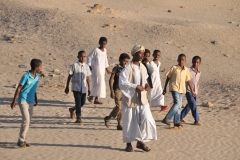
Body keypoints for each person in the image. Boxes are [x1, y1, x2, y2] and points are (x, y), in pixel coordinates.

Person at [119, 45, 157, 152]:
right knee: (130, 121)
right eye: (139, 53)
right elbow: (122, 82)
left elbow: (145, 79)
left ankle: (140, 142)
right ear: (134, 54)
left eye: (142, 53)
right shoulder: (127, 68)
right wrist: (135, 86)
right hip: (130, 99)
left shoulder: (143, 67)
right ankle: (129, 144)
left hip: (142, 99)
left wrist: (146, 85)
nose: (141, 55)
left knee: (147, 119)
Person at [11, 59, 42, 147]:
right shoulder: (25, 76)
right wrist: (14, 101)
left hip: (31, 101)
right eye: (40, 67)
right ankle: (21, 140)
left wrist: (36, 99)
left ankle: (22, 139)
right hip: (23, 100)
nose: (41, 68)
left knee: (27, 121)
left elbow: (34, 89)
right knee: (26, 120)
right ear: (36, 68)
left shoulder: (36, 77)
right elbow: (19, 88)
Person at [161, 54, 194, 129]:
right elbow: (168, 78)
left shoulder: (186, 70)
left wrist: (192, 90)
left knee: (179, 106)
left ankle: (176, 122)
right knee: (177, 103)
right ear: (177, 60)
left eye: (182, 60)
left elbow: (188, 80)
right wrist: (165, 88)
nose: (181, 61)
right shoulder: (174, 68)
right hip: (174, 87)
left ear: (185, 61)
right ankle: (167, 118)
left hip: (181, 89)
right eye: (179, 60)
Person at [104, 53, 130, 130]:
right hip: (117, 89)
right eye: (124, 61)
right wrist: (111, 90)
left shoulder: (127, 69)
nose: (126, 63)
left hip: (125, 90)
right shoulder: (116, 68)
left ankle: (119, 124)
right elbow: (111, 79)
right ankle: (108, 118)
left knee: (122, 108)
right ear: (120, 60)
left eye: (127, 62)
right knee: (118, 107)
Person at [65, 51, 91, 123]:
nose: (83, 58)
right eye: (81, 56)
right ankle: (78, 117)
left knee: (83, 102)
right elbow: (69, 76)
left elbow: (88, 77)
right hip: (76, 87)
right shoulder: (74, 66)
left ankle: (72, 109)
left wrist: (89, 88)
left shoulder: (86, 66)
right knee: (78, 102)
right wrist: (67, 86)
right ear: (78, 57)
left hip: (84, 87)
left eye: (84, 56)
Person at [87, 37, 111, 104]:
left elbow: (105, 59)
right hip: (96, 69)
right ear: (99, 43)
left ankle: (96, 99)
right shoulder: (96, 50)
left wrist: (107, 69)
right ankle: (91, 96)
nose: (103, 45)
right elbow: (89, 56)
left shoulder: (105, 50)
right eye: (102, 43)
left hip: (102, 70)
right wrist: (89, 65)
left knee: (101, 84)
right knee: (97, 83)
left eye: (105, 44)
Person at [180, 56, 202, 125]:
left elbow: (196, 82)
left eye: (197, 62)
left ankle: (180, 116)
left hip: (195, 91)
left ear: (199, 63)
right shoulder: (188, 70)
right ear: (192, 62)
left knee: (189, 105)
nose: (195, 63)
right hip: (189, 91)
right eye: (194, 62)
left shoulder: (199, 72)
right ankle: (197, 120)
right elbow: (186, 79)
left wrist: (196, 90)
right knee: (193, 104)